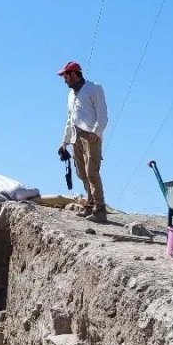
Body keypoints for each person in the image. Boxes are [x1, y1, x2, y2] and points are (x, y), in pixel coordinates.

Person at [55, 60, 109, 223]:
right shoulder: (70, 95)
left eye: (66, 76)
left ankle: (100, 210)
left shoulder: (94, 88)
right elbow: (70, 119)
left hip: (90, 135)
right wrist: (64, 141)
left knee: (92, 172)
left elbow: (103, 114)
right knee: (82, 173)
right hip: (75, 137)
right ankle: (90, 204)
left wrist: (96, 132)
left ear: (73, 74)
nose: (64, 80)